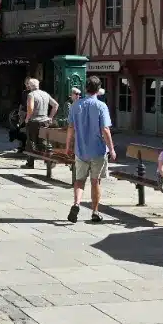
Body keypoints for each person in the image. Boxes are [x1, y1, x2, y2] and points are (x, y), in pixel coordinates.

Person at [65, 76, 116, 224]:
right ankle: (95, 212)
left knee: (79, 180)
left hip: (81, 149)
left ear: (85, 88)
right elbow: (105, 129)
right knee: (95, 181)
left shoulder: (75, 105)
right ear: (98, 89)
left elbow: (70, 128)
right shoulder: (101, 106)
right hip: (98, 150)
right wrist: (111, 149)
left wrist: (68, 146)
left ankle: (76, 203)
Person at [24, 78, 59, 169]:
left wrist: (27, 118)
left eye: (28, 85)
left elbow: (30, 108)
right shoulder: (45, 94)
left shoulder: (31, 95)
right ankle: (49, 159)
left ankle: (30, 163)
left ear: (30, 86)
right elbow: (56, 105)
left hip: (34, 122)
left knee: (31, 142)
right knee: (43, 141)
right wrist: (50, 117)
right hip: (45, 121)